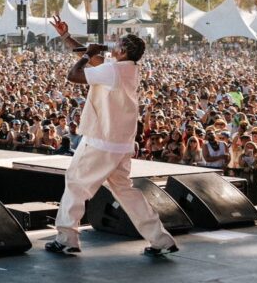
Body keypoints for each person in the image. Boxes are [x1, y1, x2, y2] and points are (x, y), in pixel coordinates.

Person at [45, 18, 179, 257]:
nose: (112, 46)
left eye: (117, 44)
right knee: (126, 191)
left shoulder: (113, 70)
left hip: (100, 141)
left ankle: (67, 239)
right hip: (121, 144)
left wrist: (87, 55)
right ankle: (160, 240)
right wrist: (67, 38)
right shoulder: (128, 69)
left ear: (124, 51)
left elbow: (73, 75)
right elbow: (96, 60)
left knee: (75, 184)